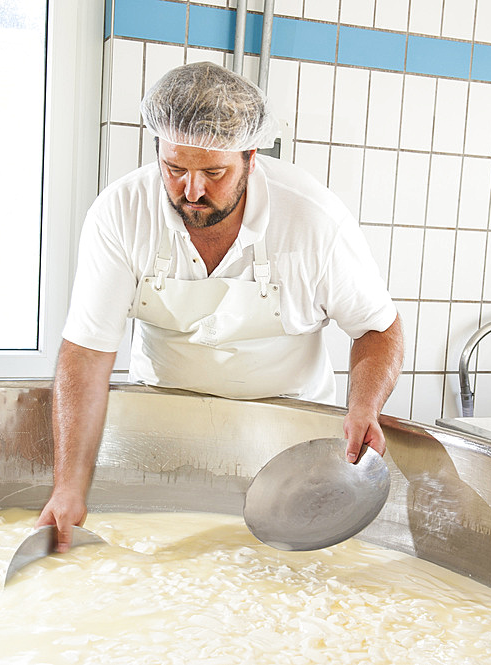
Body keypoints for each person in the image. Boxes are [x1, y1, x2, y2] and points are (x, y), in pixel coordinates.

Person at [36, 61, 403, 551]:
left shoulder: (313, 221)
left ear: (251, 156)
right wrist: (68, 488)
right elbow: (87, 352)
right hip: (165, 432)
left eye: (213, 172)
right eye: (175, 169)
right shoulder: (120, 214)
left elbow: (379, 329)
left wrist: (365, 406)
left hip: (288, 451)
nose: (191, 191)